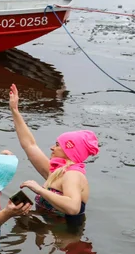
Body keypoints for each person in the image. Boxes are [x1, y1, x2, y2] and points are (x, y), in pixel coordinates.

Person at [9, 84, 97, 220]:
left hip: (66, 236)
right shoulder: (56, 172)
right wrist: (15, 110)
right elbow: (29, 145)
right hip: (48, 228)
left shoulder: (73, 175)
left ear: (70, 151)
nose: (52, 148)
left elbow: (73, 208)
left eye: (57, 145)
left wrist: (40, 190)